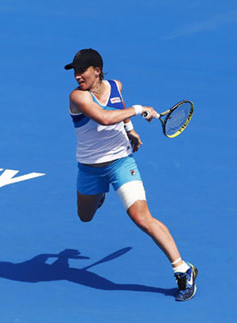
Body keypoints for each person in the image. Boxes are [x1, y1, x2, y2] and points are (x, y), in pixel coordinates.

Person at [64, 48, 197, 301]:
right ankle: (100, 194)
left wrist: (130, 130)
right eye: (75, 72)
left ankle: (182, 269)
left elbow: (118, 106)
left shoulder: (115, 86)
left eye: (82, 71)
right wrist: (138, 109)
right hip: (89, 169)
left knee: (141, 217)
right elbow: (104, 118)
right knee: (85, 217)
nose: (77, 77)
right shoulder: (77, 97)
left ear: (97, 70)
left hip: (122, 163)